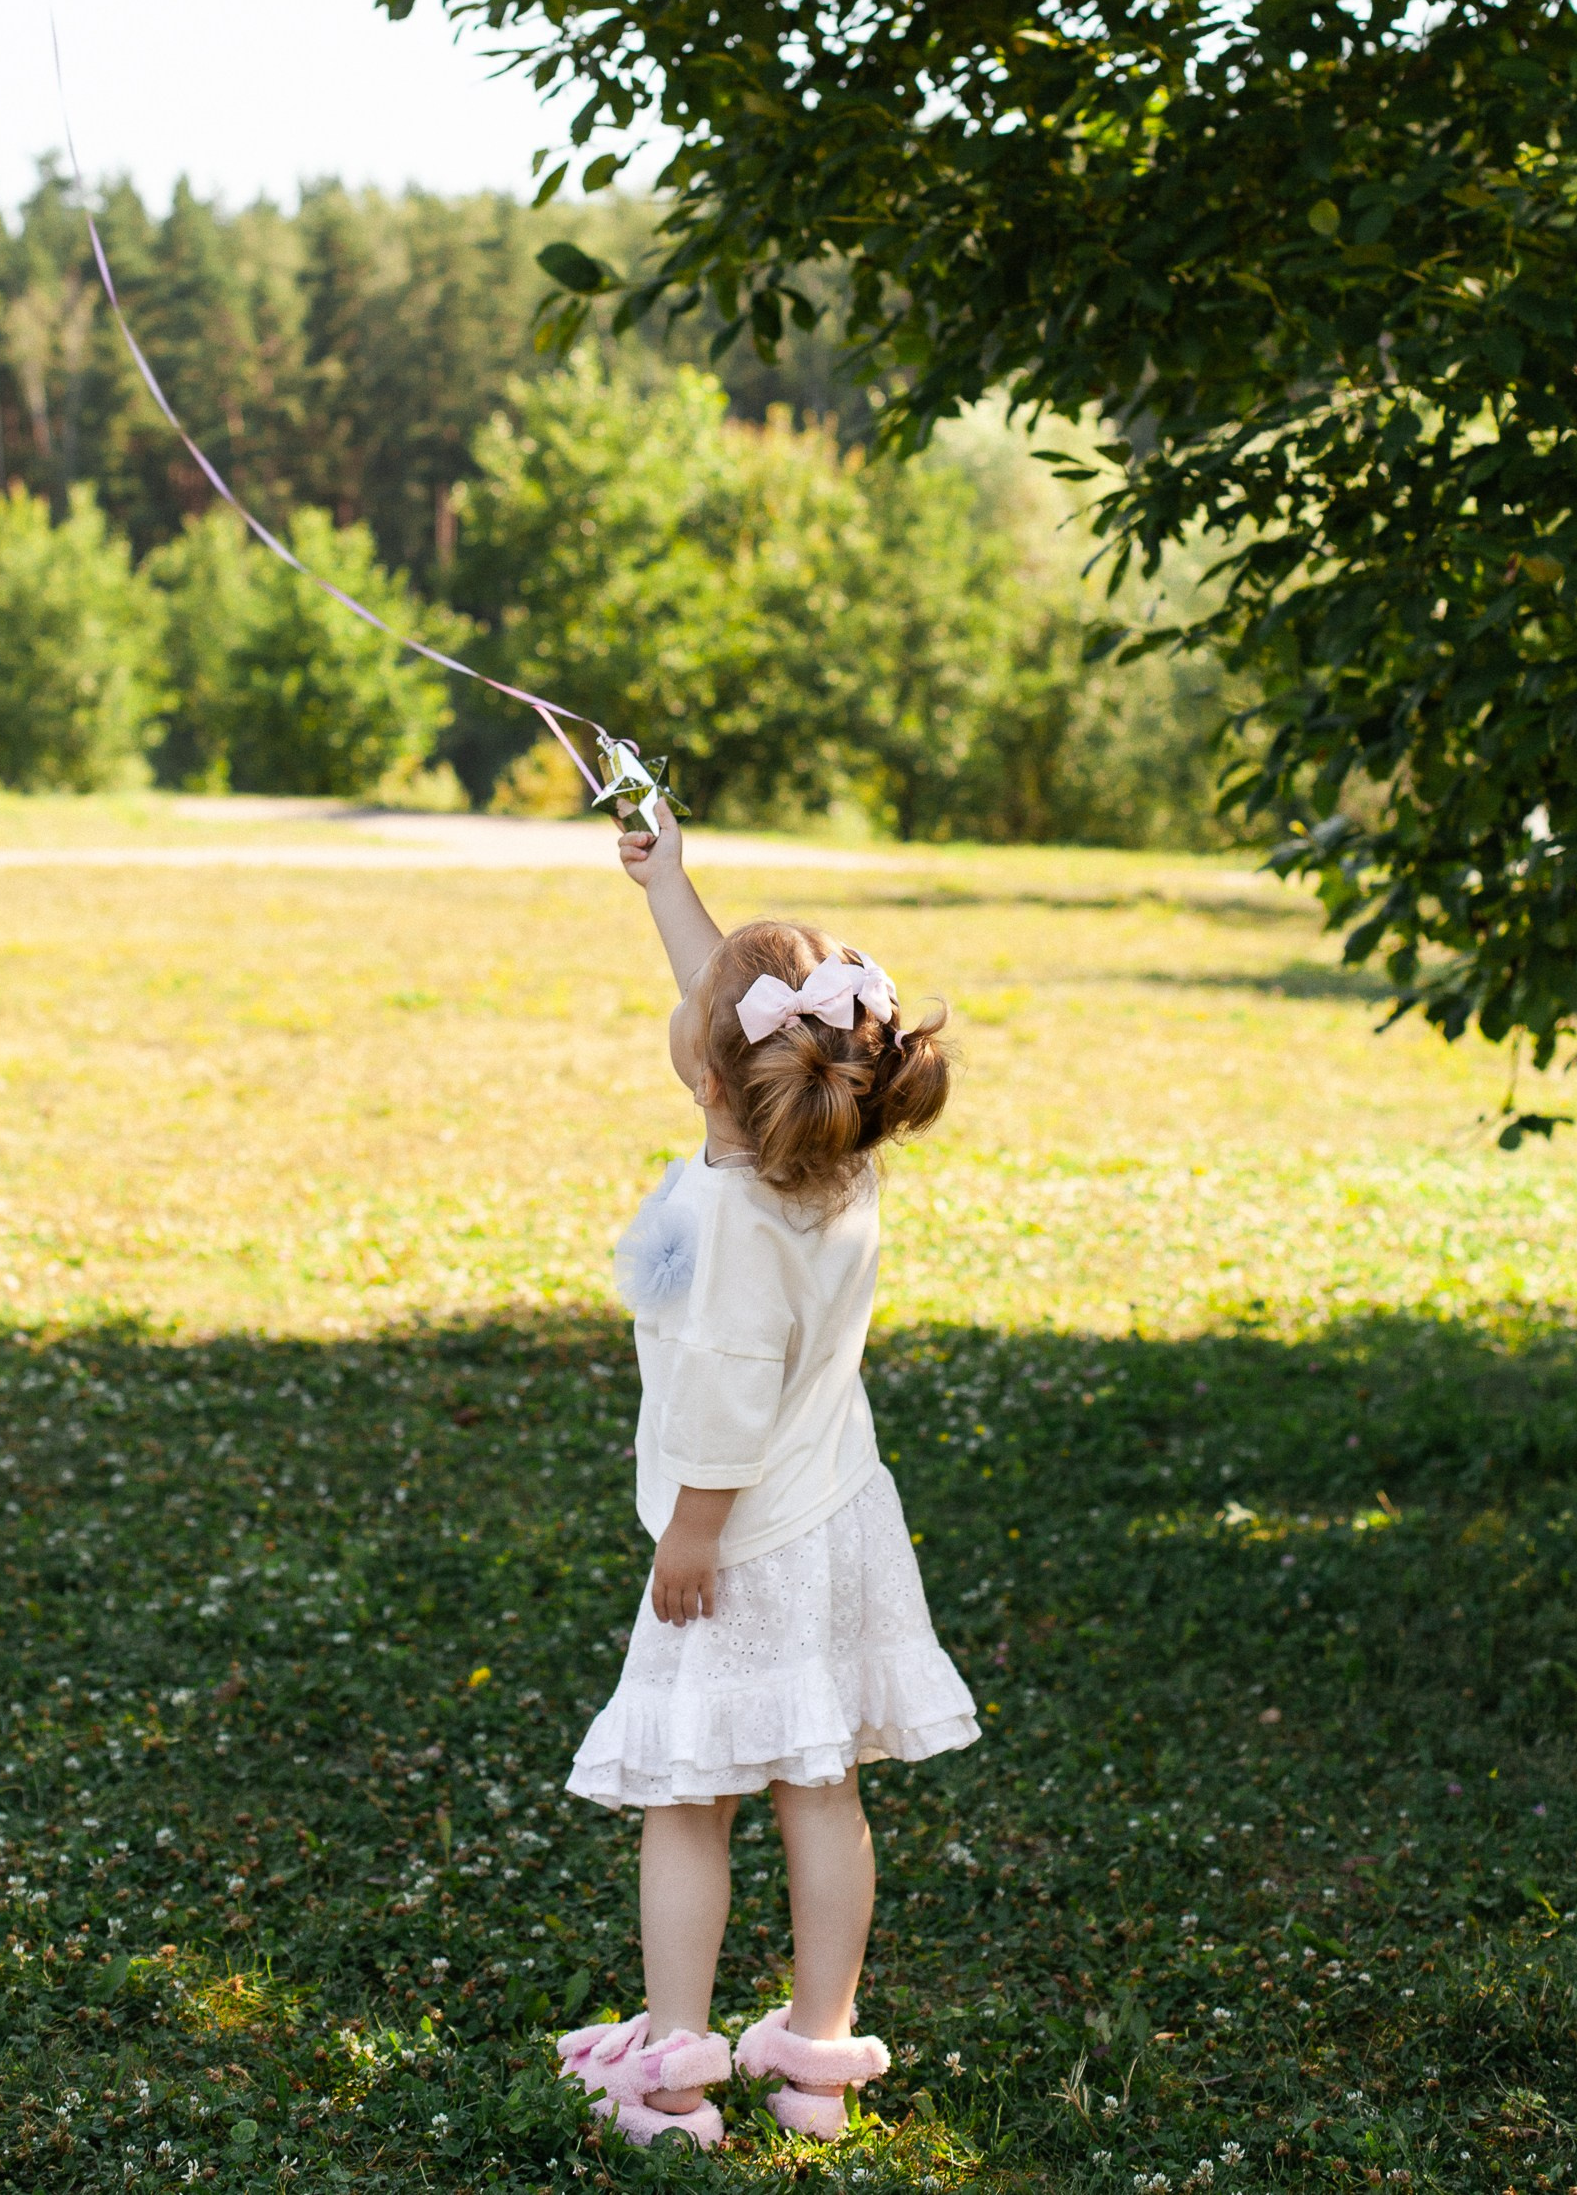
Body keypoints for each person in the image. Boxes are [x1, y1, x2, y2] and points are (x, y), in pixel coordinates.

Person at [556, 806, 980, 2151]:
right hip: (840, 1513)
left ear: (705, 1080)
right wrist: (668, 883)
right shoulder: (829, 1150)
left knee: (688, 1797)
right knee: (821, 1789)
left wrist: (687, 1537)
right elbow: (730, 1007)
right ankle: (816, 2060)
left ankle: (673, 2076)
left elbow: (724, 1401)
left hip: (736, 1537)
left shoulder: (736, 1212)